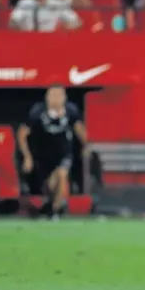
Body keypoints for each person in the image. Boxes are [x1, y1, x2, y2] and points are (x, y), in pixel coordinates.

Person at [18, 84, 88, 219]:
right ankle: (53, 205)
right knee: (50, 186)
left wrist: (86, 147)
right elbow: (22, 134)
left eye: (59, 96)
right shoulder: (38, 112)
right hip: (43, 156)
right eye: (53, 95)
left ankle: (55, 211)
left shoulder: (70, 111)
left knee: (62, 175)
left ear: (64, 98)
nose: (56, 99)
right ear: (47, 97)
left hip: (64, 154)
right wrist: (27, 157)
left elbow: (80, 130)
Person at [9, 0, 81, 32]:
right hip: (28, 38)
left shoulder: (58, 3)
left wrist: (69, 25)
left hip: (51, 40)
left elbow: (77, 22)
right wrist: (18, 28)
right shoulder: (25, 3)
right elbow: (13, 22)